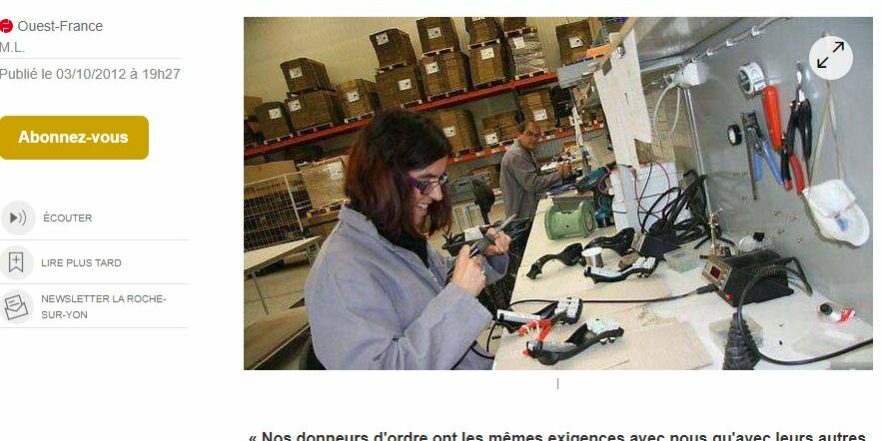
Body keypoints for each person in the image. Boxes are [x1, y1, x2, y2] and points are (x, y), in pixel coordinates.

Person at [304, 109, 512, 370]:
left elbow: (436, 280)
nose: (437, 195)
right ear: (382, 178)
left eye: (440, 179)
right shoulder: (340, 273)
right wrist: (460, 297)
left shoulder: (395, 233)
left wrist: (482, 258)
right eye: (425, 182)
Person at [500, 121, 573, 219]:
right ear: (519, 135)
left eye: (537, 135)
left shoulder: (527, 150)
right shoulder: (516, 155)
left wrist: (556, 172)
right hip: (522, 216)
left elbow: (536, 175)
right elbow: (533, 184)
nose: (534, 139)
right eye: (530, 134)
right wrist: (560, 174)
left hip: (530, 208)